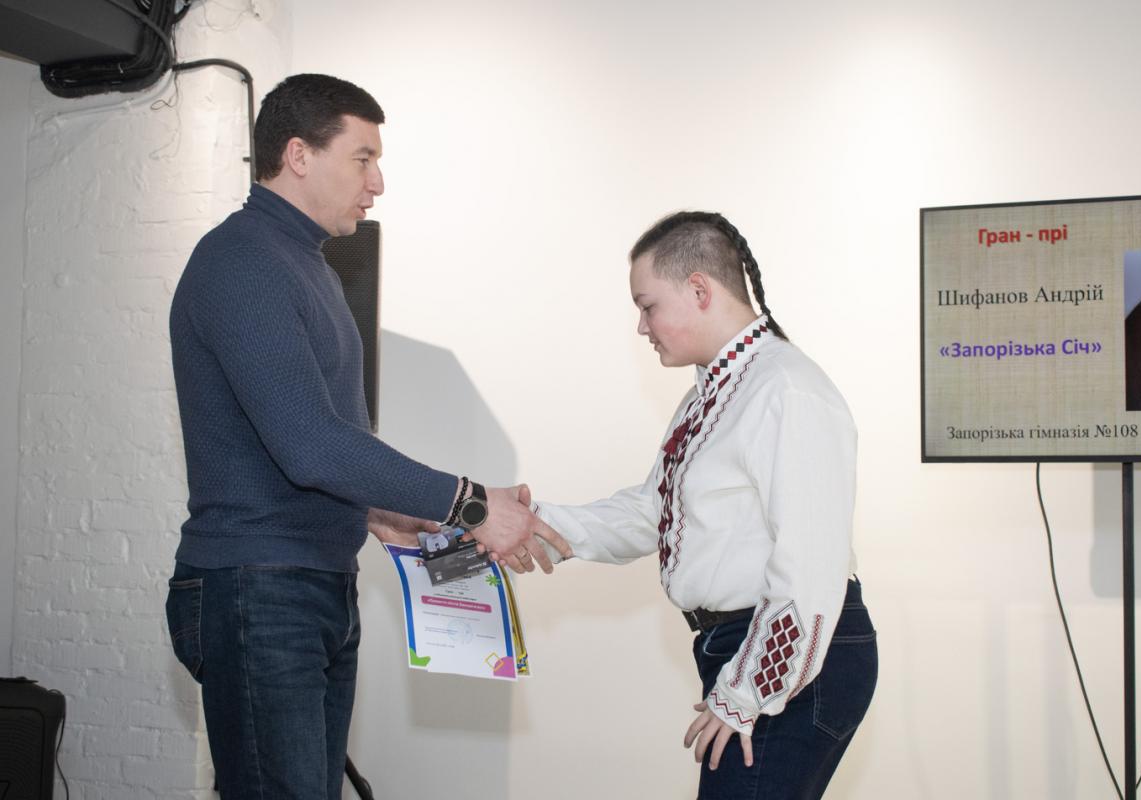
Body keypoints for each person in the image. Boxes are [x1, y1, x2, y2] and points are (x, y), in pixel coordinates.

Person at [165, 73, 569, 800]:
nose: (377, 182)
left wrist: (384, 512)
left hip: (308, 584)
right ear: (298, 155)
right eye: (362, 158)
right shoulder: (242, 260)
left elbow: (309, 443)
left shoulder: (306, 265)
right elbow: (311, 445)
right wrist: (471, 504)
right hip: (259, 588)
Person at [531, 211, 877, 799]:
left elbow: (810, 566)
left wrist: (746, 692)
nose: (641, 326)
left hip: (791, 657)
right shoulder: (714, 394)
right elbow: (652, 513)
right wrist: (534, 524)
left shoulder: (785, 388)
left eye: (648, 306)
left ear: (699, 289)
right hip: (746, 647)